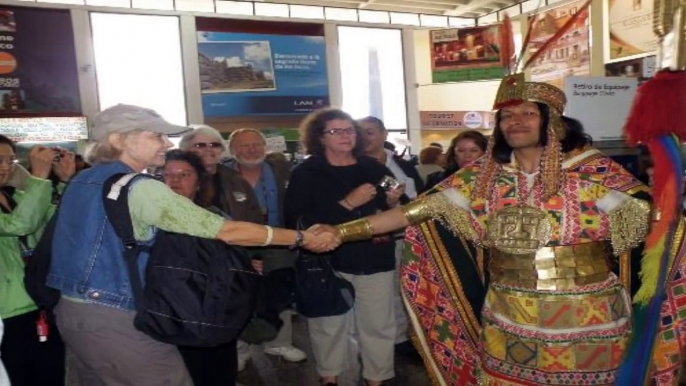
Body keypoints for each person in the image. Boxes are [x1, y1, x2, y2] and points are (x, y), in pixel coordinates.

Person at [316, 75, 679, 384]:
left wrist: (669, 183)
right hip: (508, 311)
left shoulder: (591, 171)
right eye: (506, 115)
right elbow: (411, 213)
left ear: (552, 121)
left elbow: (657, 223)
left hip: (587, 312)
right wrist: (340, 232)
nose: (515, 121)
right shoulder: (483, 176)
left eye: (527, 113)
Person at [46, 104, 338, 385]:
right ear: (117, 139)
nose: (165, 143)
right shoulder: (141, 187)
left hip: (73, 312)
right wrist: (302, 238)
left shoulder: (82, 180)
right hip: (116, 316)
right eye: (155, 135)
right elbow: (226, 230)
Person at [285, 108, 403, 386]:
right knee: (328, 325)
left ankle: (377, 378)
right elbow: (297, 221)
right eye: (335, 131)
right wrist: (348, 204)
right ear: (320, 137)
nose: (345, 136)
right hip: (327, 261)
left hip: (374, 256)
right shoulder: (307, 172)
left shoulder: (372, 167)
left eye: (349, 130)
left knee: (378, 325)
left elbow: (398, 202)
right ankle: (330, 377)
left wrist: (394, 199)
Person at [159, 149, 242, 386]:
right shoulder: (147, 217)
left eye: (184, 174)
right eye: (167, 174)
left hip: (211, 310)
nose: (175, 181)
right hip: (169, 315)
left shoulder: (215, 217)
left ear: (198, 182)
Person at [226, 128, 307, 367]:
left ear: (265, 146)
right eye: (244, 145)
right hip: (237, 244)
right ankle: (240, 350)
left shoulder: (282, 171)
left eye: (256, 144)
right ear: (232, 150)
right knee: (238, 296)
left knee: (279, 294)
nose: (251, 150)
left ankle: (278, 343)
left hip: (278, 242)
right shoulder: (222, 176)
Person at [0, 135, 74, 386]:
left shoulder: (15, 197)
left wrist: (64, 181)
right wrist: (40, 177)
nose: (5, 167)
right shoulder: (26, 198)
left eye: (10, 160)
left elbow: (59, 224)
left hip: (39, 304)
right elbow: (21, 224)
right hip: (6, 315)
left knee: (51, 375)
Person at [358, 116, 424, 352]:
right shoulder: (354, 166)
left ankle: (408, 337)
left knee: (407, 288)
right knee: (381, 294)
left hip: (407, 236)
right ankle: (390, 342)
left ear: (384, 134)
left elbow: (419, 196)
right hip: (374, 239)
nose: (366, 137)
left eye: (371, 131)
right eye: (361, 132)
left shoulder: (402, 164)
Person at [179, 125, 263, 224]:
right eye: (200, 145)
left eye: (214, 145)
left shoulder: (236, 180)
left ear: (222, 149)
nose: (208, 149)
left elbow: (254, 218)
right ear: (185, 149)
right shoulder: (176, 180)